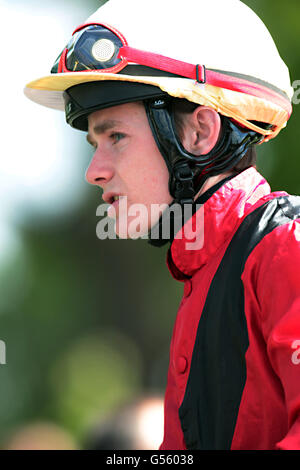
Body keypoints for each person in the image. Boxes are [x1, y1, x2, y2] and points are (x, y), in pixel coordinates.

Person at [24, 0, 300, 450]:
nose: (94, 170)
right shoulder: (202, 272)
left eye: (115, 136)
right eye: (95, 141)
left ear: (198, 132)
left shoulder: (286, 245)